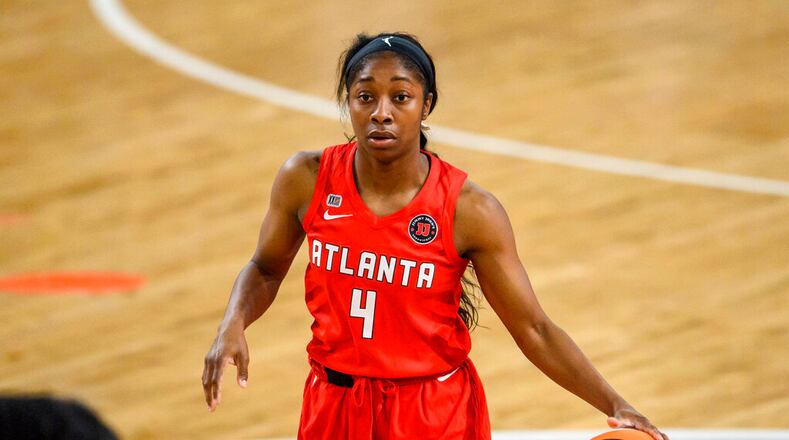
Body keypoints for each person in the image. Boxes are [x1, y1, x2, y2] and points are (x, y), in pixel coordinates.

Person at [202, 32, 668, 440]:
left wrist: (614, 403)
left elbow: (535, 329)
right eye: (365, 97)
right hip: (333, 404)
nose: (381, 113)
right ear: (348, 102)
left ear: (426, 105)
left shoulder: (470, 210)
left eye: (400, 98)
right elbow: (264, 268)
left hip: (431, 411)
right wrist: (233, 322)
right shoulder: (306, 178)